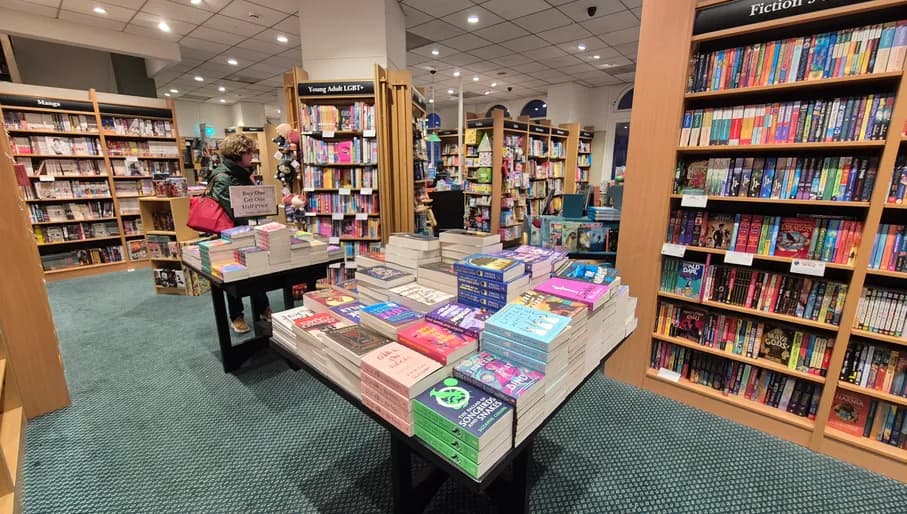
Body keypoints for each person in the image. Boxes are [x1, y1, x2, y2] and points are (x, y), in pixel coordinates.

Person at [208, 133, 270, 334]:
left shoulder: (243, 172)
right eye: (249, 152)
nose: (252, 156)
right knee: (234, 276)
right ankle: (236, 315)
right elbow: (235, 210)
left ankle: (262, 307)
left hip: (249, 229)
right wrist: (261, 211)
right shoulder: (223, 178)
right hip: (231, 233)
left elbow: (252, 200)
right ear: (238, 154)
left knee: (258, 268)